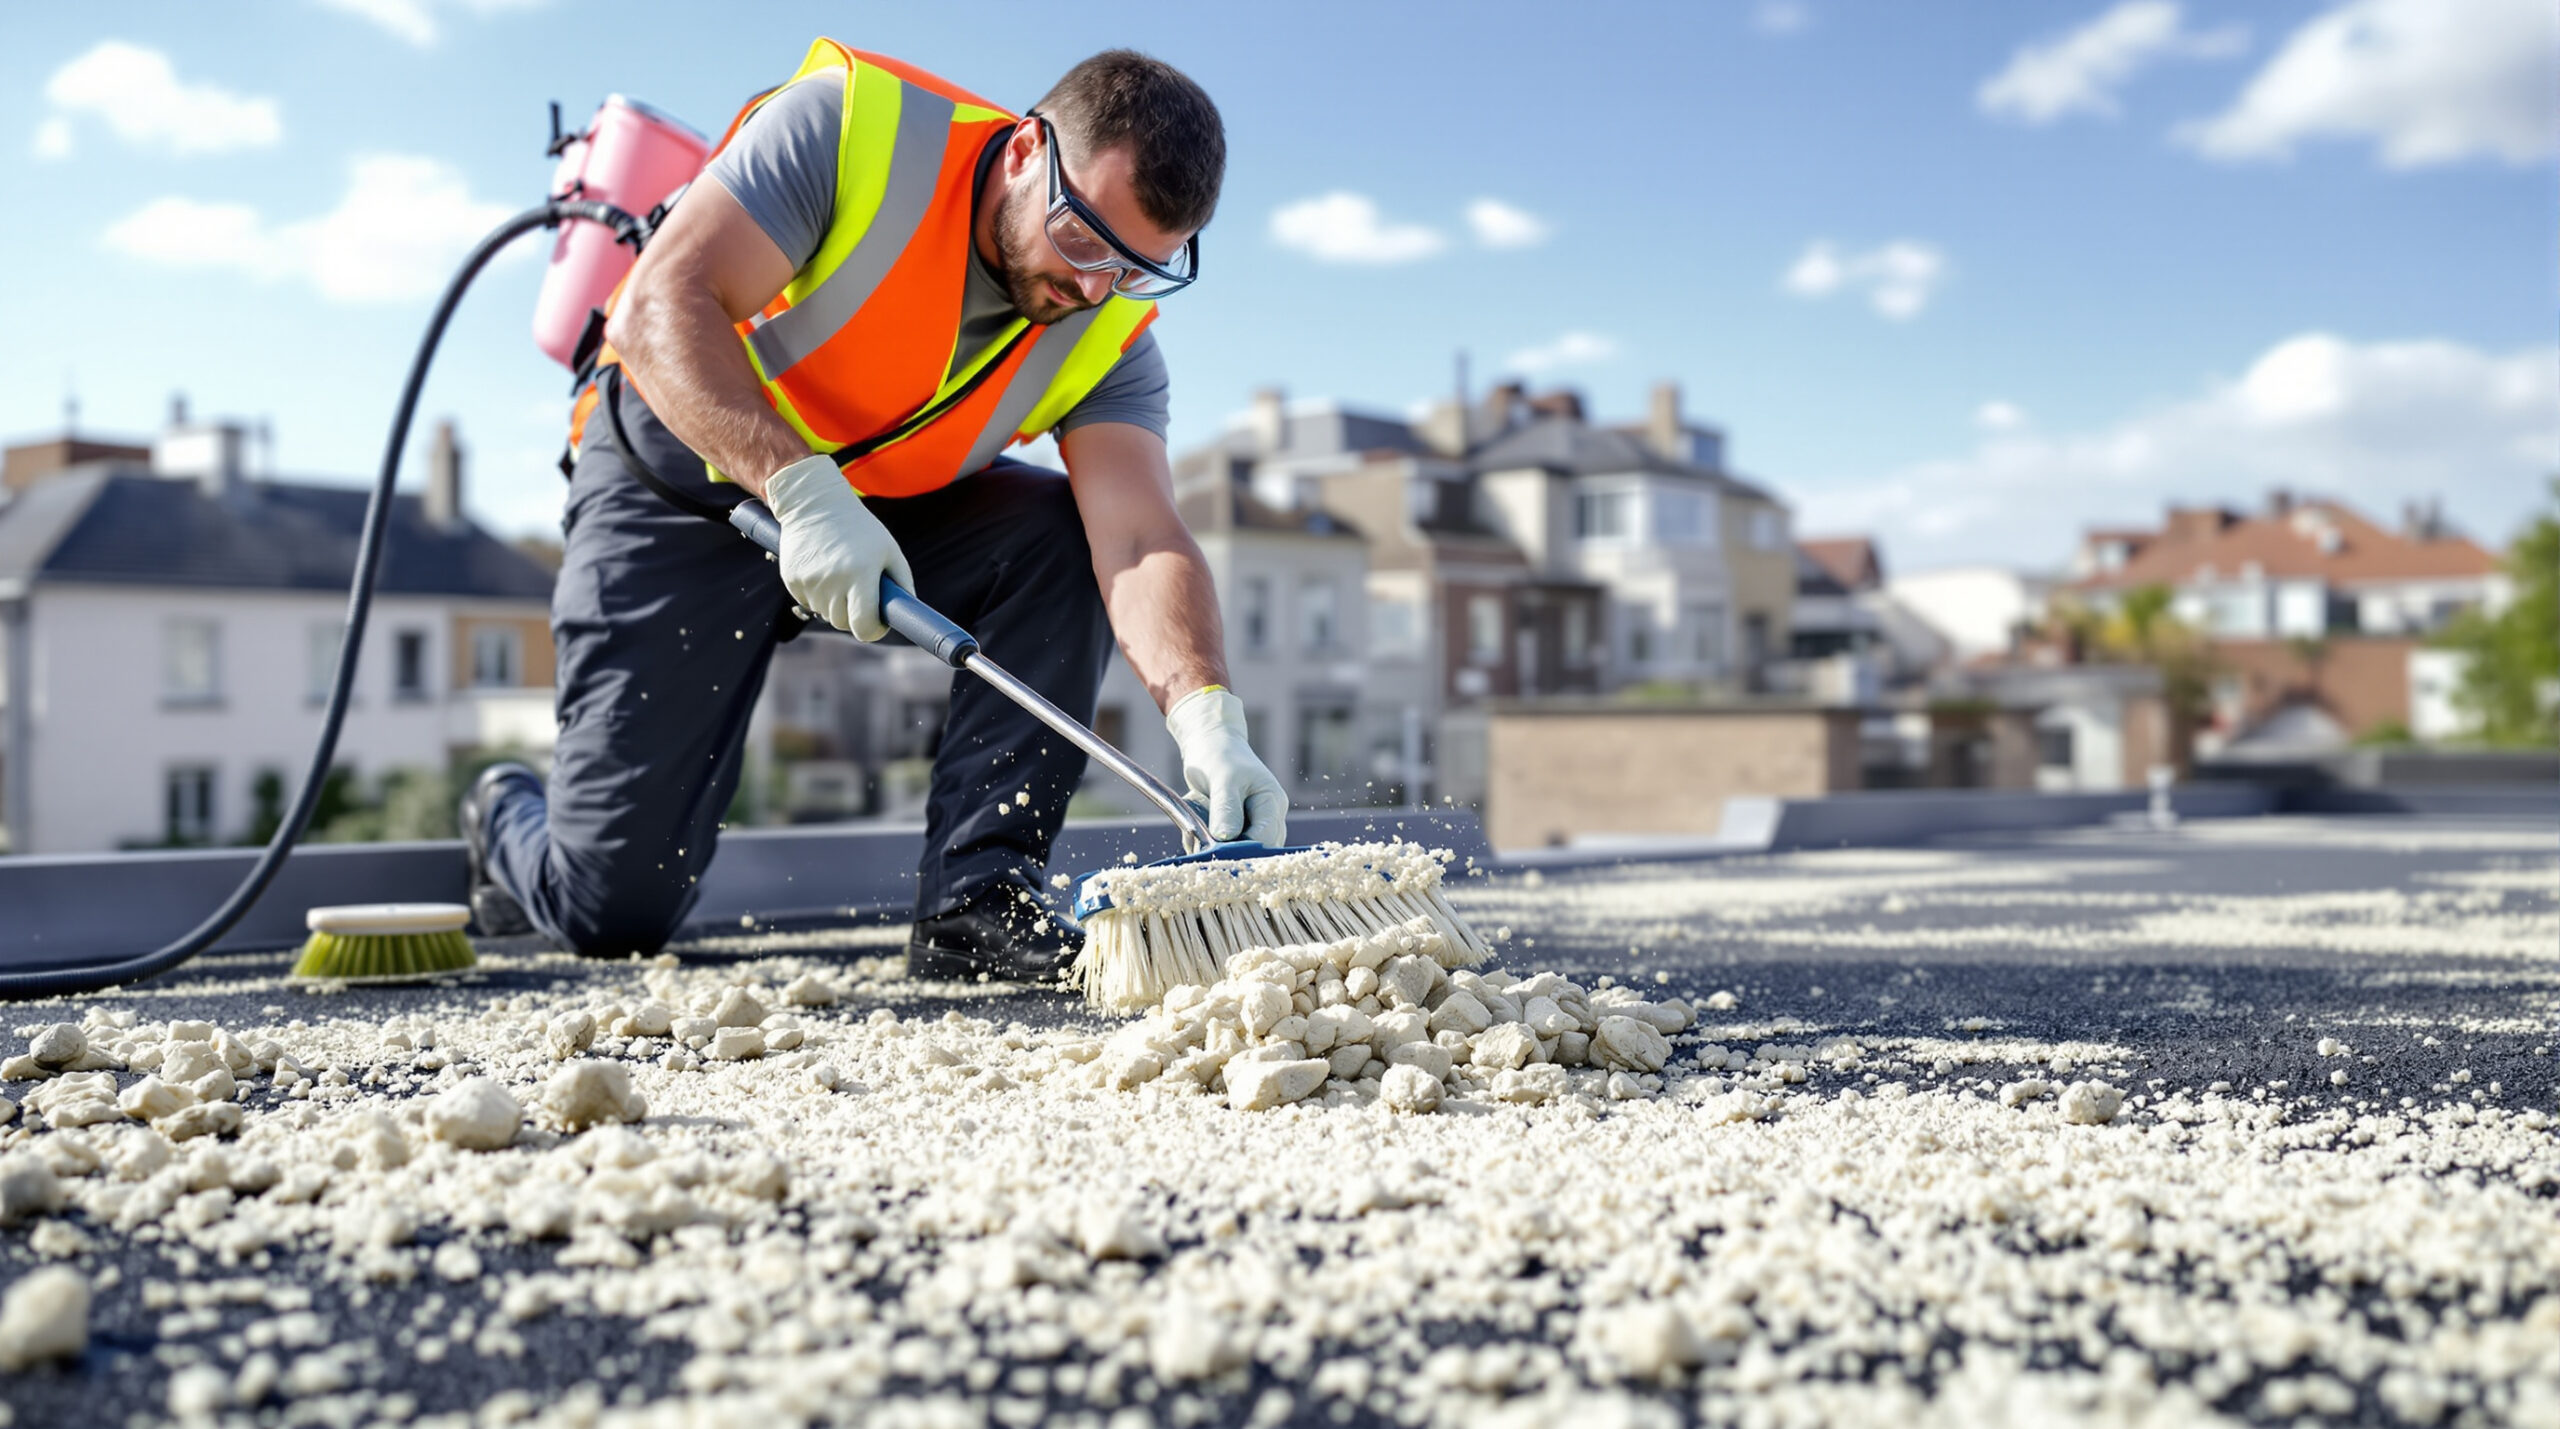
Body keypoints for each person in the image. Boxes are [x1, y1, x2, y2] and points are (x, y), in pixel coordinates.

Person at [460, 41, 1288, 982]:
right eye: (1083, 236)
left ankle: (978, 906)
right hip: (678, 488)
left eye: (1137, 267)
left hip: (877, 518)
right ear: (1025, 152)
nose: (1093, 286)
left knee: (1064, 537)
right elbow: (657, 306)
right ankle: (500, 809)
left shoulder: (1109, 335)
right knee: (612, 909)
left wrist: (1205, 713)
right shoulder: (849, 133)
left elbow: (1139, 540)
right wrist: (800, 491)